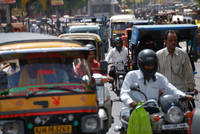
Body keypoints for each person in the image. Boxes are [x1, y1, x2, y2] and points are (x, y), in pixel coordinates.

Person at [120, 49, 193, 108]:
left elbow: (170, 89)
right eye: (147, 65)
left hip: (155, 112)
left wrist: (183, 95)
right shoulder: (131, 76)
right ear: (141, 64)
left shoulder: (159, 77)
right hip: (136, 111)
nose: (150, 67)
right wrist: (131, 102)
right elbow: (124, 92)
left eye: (152, 65)